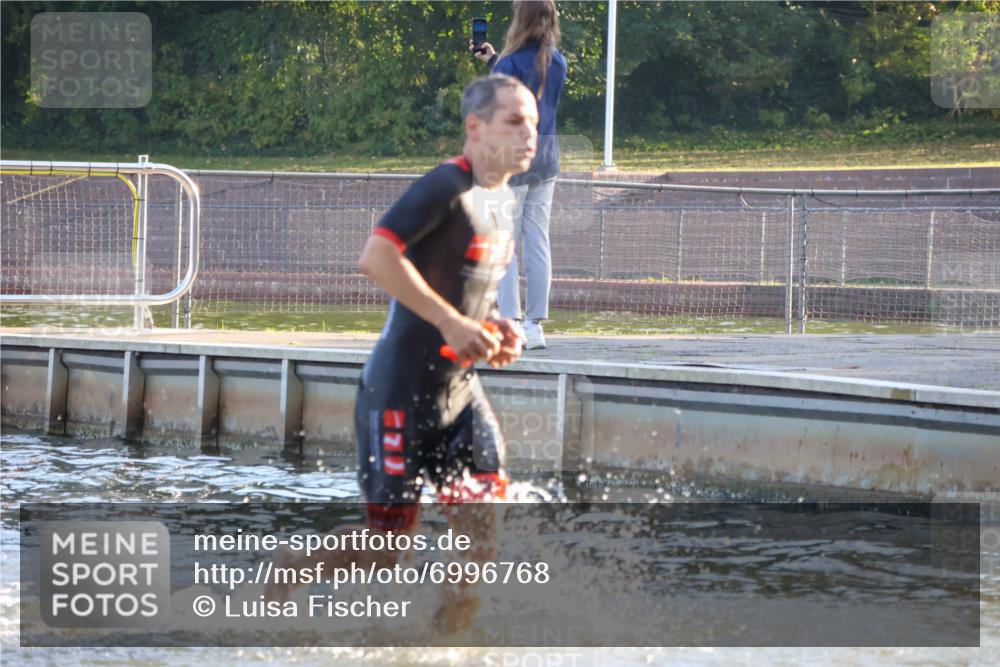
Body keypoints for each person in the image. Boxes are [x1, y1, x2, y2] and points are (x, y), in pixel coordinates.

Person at [266, 74, 538, 634]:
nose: (529, 132)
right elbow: (376, 257)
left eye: (533, 120)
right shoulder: (446, 186)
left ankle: (446, 642)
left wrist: (493, 329)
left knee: (480, 527)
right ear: (476, 127)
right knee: (388, 545)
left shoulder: (503, 200)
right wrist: (451, 322)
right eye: (514, 120)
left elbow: (461, 291)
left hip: (460, 395)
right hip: (398, 395)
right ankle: (292, 569)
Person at [473, 0, 566, 350]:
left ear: (520, 20)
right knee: (537, 238)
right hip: (546, 160)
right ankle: (535, 325)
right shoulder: (558, 61)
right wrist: (496, 61)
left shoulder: (509, 64)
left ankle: (510, 320)